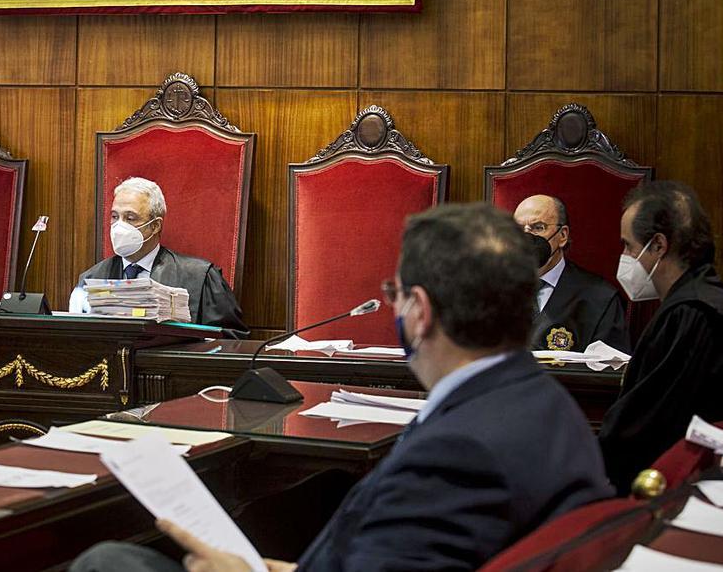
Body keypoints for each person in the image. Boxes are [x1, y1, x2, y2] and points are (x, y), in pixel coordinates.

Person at [72, 204, 612, 572]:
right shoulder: (543, 402)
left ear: (419, 311)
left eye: (396, 293)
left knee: (107, 562)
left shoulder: (459, 451)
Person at [599, 181, 723, 494]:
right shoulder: (699, 299)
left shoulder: (693, 313)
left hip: (674, 486)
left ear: (658, 245)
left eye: (628, 246)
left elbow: (650, 422)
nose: (624, 256)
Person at [68, 177, 248, 338]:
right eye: (115, 217)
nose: (118, 226)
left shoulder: (200, 277)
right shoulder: (91, 279)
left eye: (130, 218)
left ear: (155, 226)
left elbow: (233, 340)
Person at [513, 194, 630, 353]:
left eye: (538, 227)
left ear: (562, 235)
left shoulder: (600, 298)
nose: (526, 237)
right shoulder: (492, 291)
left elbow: (611, 370)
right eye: (518, 229)